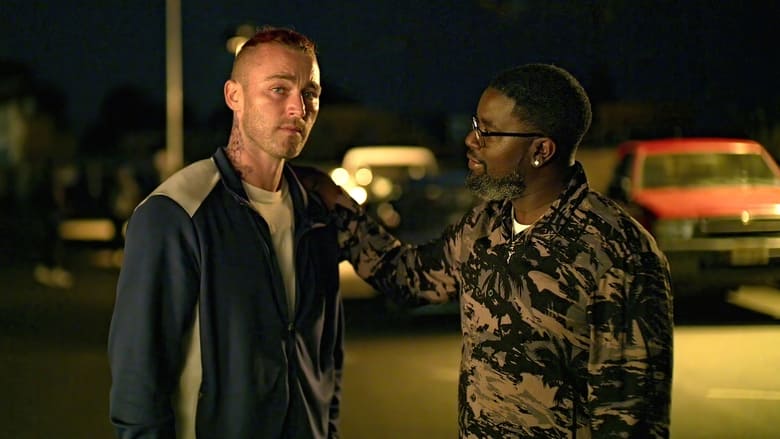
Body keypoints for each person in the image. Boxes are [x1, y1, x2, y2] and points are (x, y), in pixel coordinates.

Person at [310, 63, 674, 437]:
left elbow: (632, 419)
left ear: (540, 150)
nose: (471, 139)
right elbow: (410, 277)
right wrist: (334, 201)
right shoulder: (486, 225)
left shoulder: (617, 253)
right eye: (475, 125)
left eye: (489, 132)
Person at [108, 27, 345, 439]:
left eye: (310, 93)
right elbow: (138, 381)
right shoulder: (176, 213)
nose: (298, 108)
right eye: (278, 89)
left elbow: (327, 362)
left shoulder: (317, 215)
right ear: (234, 96)